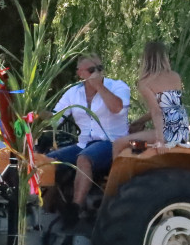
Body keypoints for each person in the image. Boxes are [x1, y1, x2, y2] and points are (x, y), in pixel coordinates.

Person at [48, 54, 130, 217]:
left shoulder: (117, 86)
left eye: (100, 69)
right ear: (80, 73)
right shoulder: (73, 93)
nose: (97, 73)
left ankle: (75, 209)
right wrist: (34, 115)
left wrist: (100, 87)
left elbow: (118, 108)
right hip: (84, 143)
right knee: (46, 162)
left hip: (111, 143)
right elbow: (55, 119)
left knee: (84, 158)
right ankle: (46, 211)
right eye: (92, 70)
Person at [112, 41, 190, 157]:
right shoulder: (175, 76)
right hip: (182, 131)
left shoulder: (145, 82)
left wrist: (160, 140)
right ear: (164, 57)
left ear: (145, 59)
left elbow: (156, 112)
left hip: (166, 134)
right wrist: (139, 121)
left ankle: (118, 175)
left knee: (118, 144)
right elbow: (168, 108)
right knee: (137, 139)